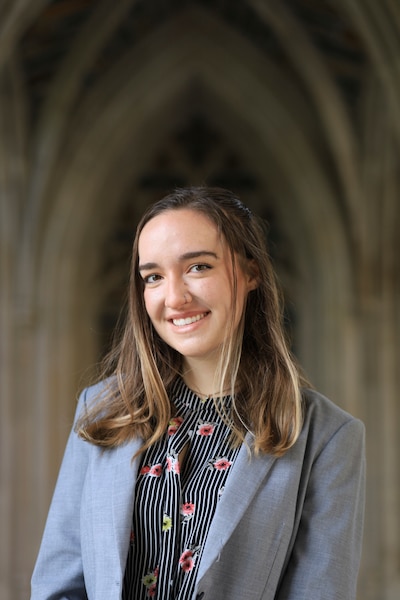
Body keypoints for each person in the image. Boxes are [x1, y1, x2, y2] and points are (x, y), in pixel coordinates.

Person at [31, 186, 365, 600]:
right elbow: (58, 586)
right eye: (153, 277)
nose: (174, 297)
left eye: (198, 267)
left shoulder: (328, 438)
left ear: (251, 273)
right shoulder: (100, 411)